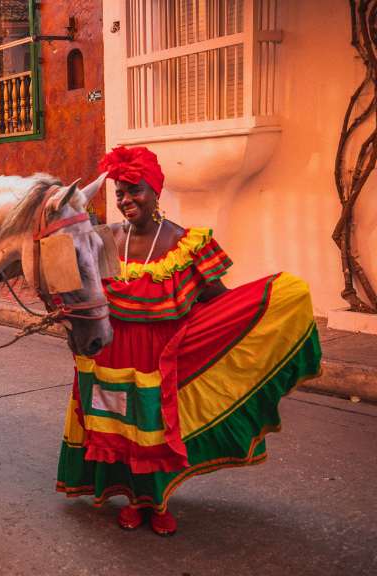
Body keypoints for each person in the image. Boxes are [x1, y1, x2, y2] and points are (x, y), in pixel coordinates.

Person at [55, 146, 321, 536]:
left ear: (156, 192)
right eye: (120, 194)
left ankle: (157, 502)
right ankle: (133, 500)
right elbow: (81, 287)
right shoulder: (106, 239)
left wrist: (251, 320)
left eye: (136, 191)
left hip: (162, 359)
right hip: (113, 353)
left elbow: (221, 300)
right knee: (120, 429)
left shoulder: (185, 244)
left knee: (156, 432)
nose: (127, 201)